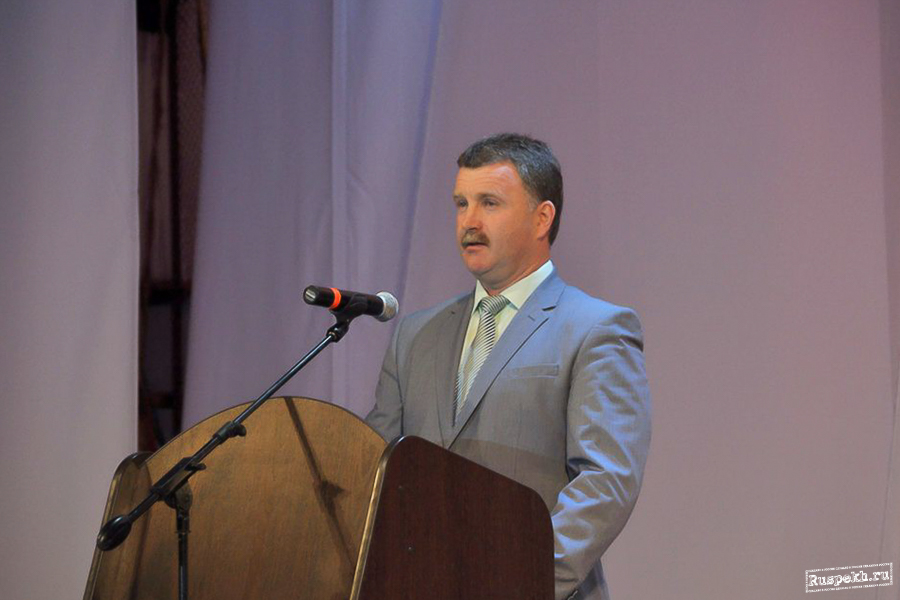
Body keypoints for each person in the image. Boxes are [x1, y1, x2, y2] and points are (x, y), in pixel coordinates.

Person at [365, 133, 651, 600]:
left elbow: (605, 482)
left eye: (490, 203)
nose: (469, 222)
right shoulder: (415, 335)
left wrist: (517, 580)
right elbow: (376, 471)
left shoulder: (596, 329)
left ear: (542, 218)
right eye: (461, 204)